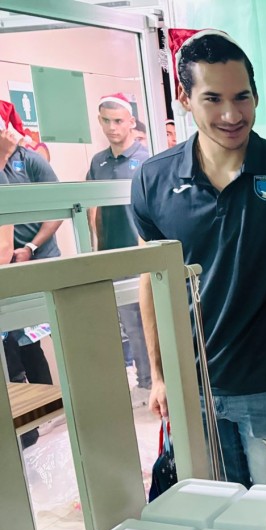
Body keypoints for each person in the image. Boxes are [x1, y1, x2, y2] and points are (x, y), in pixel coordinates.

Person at [130, 30, 266, 488]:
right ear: (184, 97)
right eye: (213, 98)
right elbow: (151, 284)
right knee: (214, 509)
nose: (232, 115)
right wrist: (159, 375)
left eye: (242, 97)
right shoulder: (154, 180)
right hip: (189, 384)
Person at [87, 92, 152, 405]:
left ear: (131, 122)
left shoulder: (146, 159)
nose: (112, 127)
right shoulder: (98, 162)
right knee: (131, 325)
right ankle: (144, 381)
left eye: (118, 121)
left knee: (152, 318)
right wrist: (97, 248)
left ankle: (159, 379)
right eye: (106, 121)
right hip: (113, 255)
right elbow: (93, 206)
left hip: (141, 251)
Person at [1, 122, 63, 448]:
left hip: (37, 261)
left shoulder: (31, 160)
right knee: (13, 342)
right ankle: (31, 419)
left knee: (33, 339)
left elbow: (58, 208)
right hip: (8, 268)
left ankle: (51, 407)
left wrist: (31, 248)